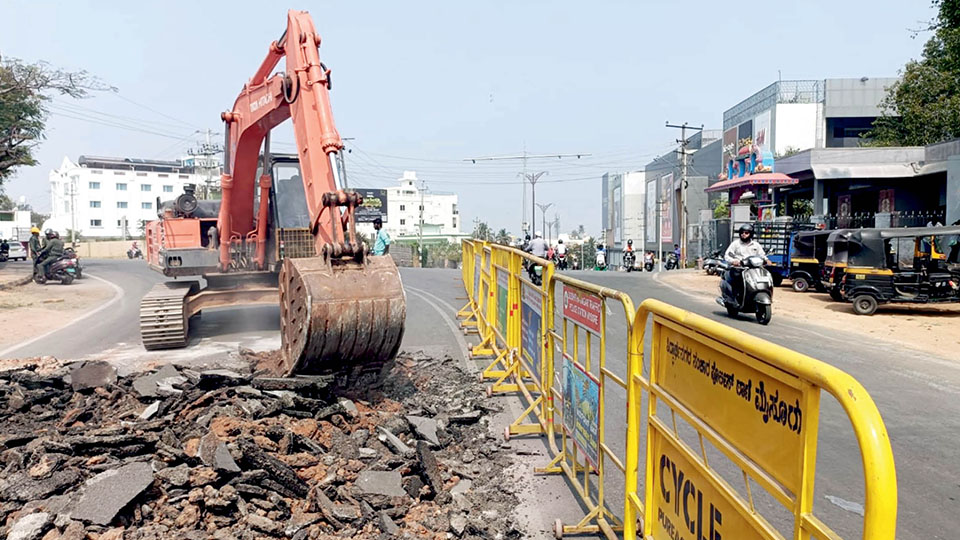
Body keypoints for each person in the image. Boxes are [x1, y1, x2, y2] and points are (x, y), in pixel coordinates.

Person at [723, 224, 770, 300]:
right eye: (742, 233)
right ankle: (735, 297)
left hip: (753, 269)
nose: (744, 234)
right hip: (740, 268)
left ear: (750, 234)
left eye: (746, 233)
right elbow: (727, 255)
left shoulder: (756, 245)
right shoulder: (735, 244)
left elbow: (762, 255)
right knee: (737, 280)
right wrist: (733, 261)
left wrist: (767, 260)